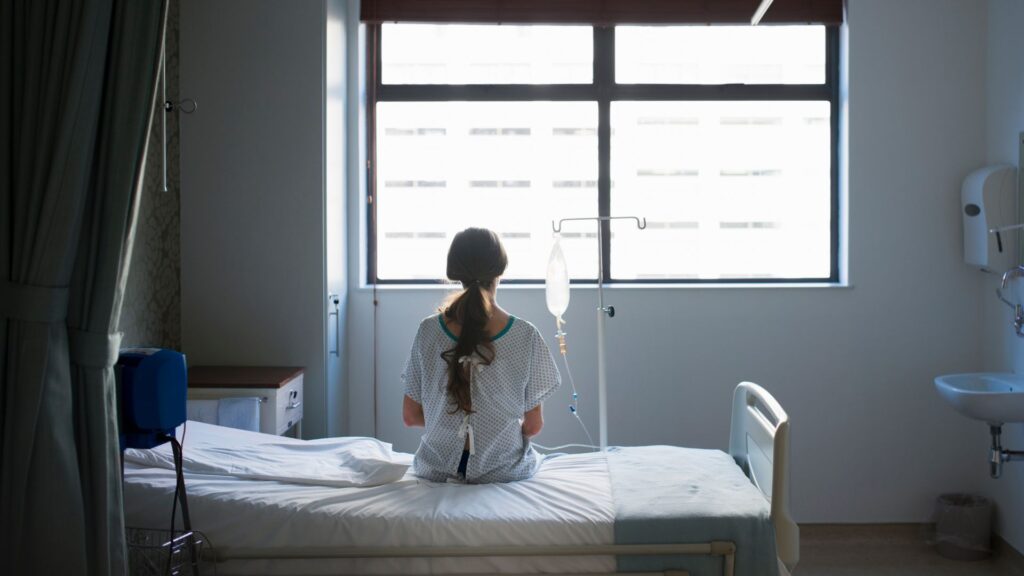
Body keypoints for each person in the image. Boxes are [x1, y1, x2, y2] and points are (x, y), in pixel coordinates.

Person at [402, 227, 561, 483]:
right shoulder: (525, 335)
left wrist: (445, 424)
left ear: (455, 271)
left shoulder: (428, 331)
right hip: (503, 471)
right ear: (500, 270)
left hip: (436, 470)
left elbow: (411, 417)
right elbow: (533, 426)